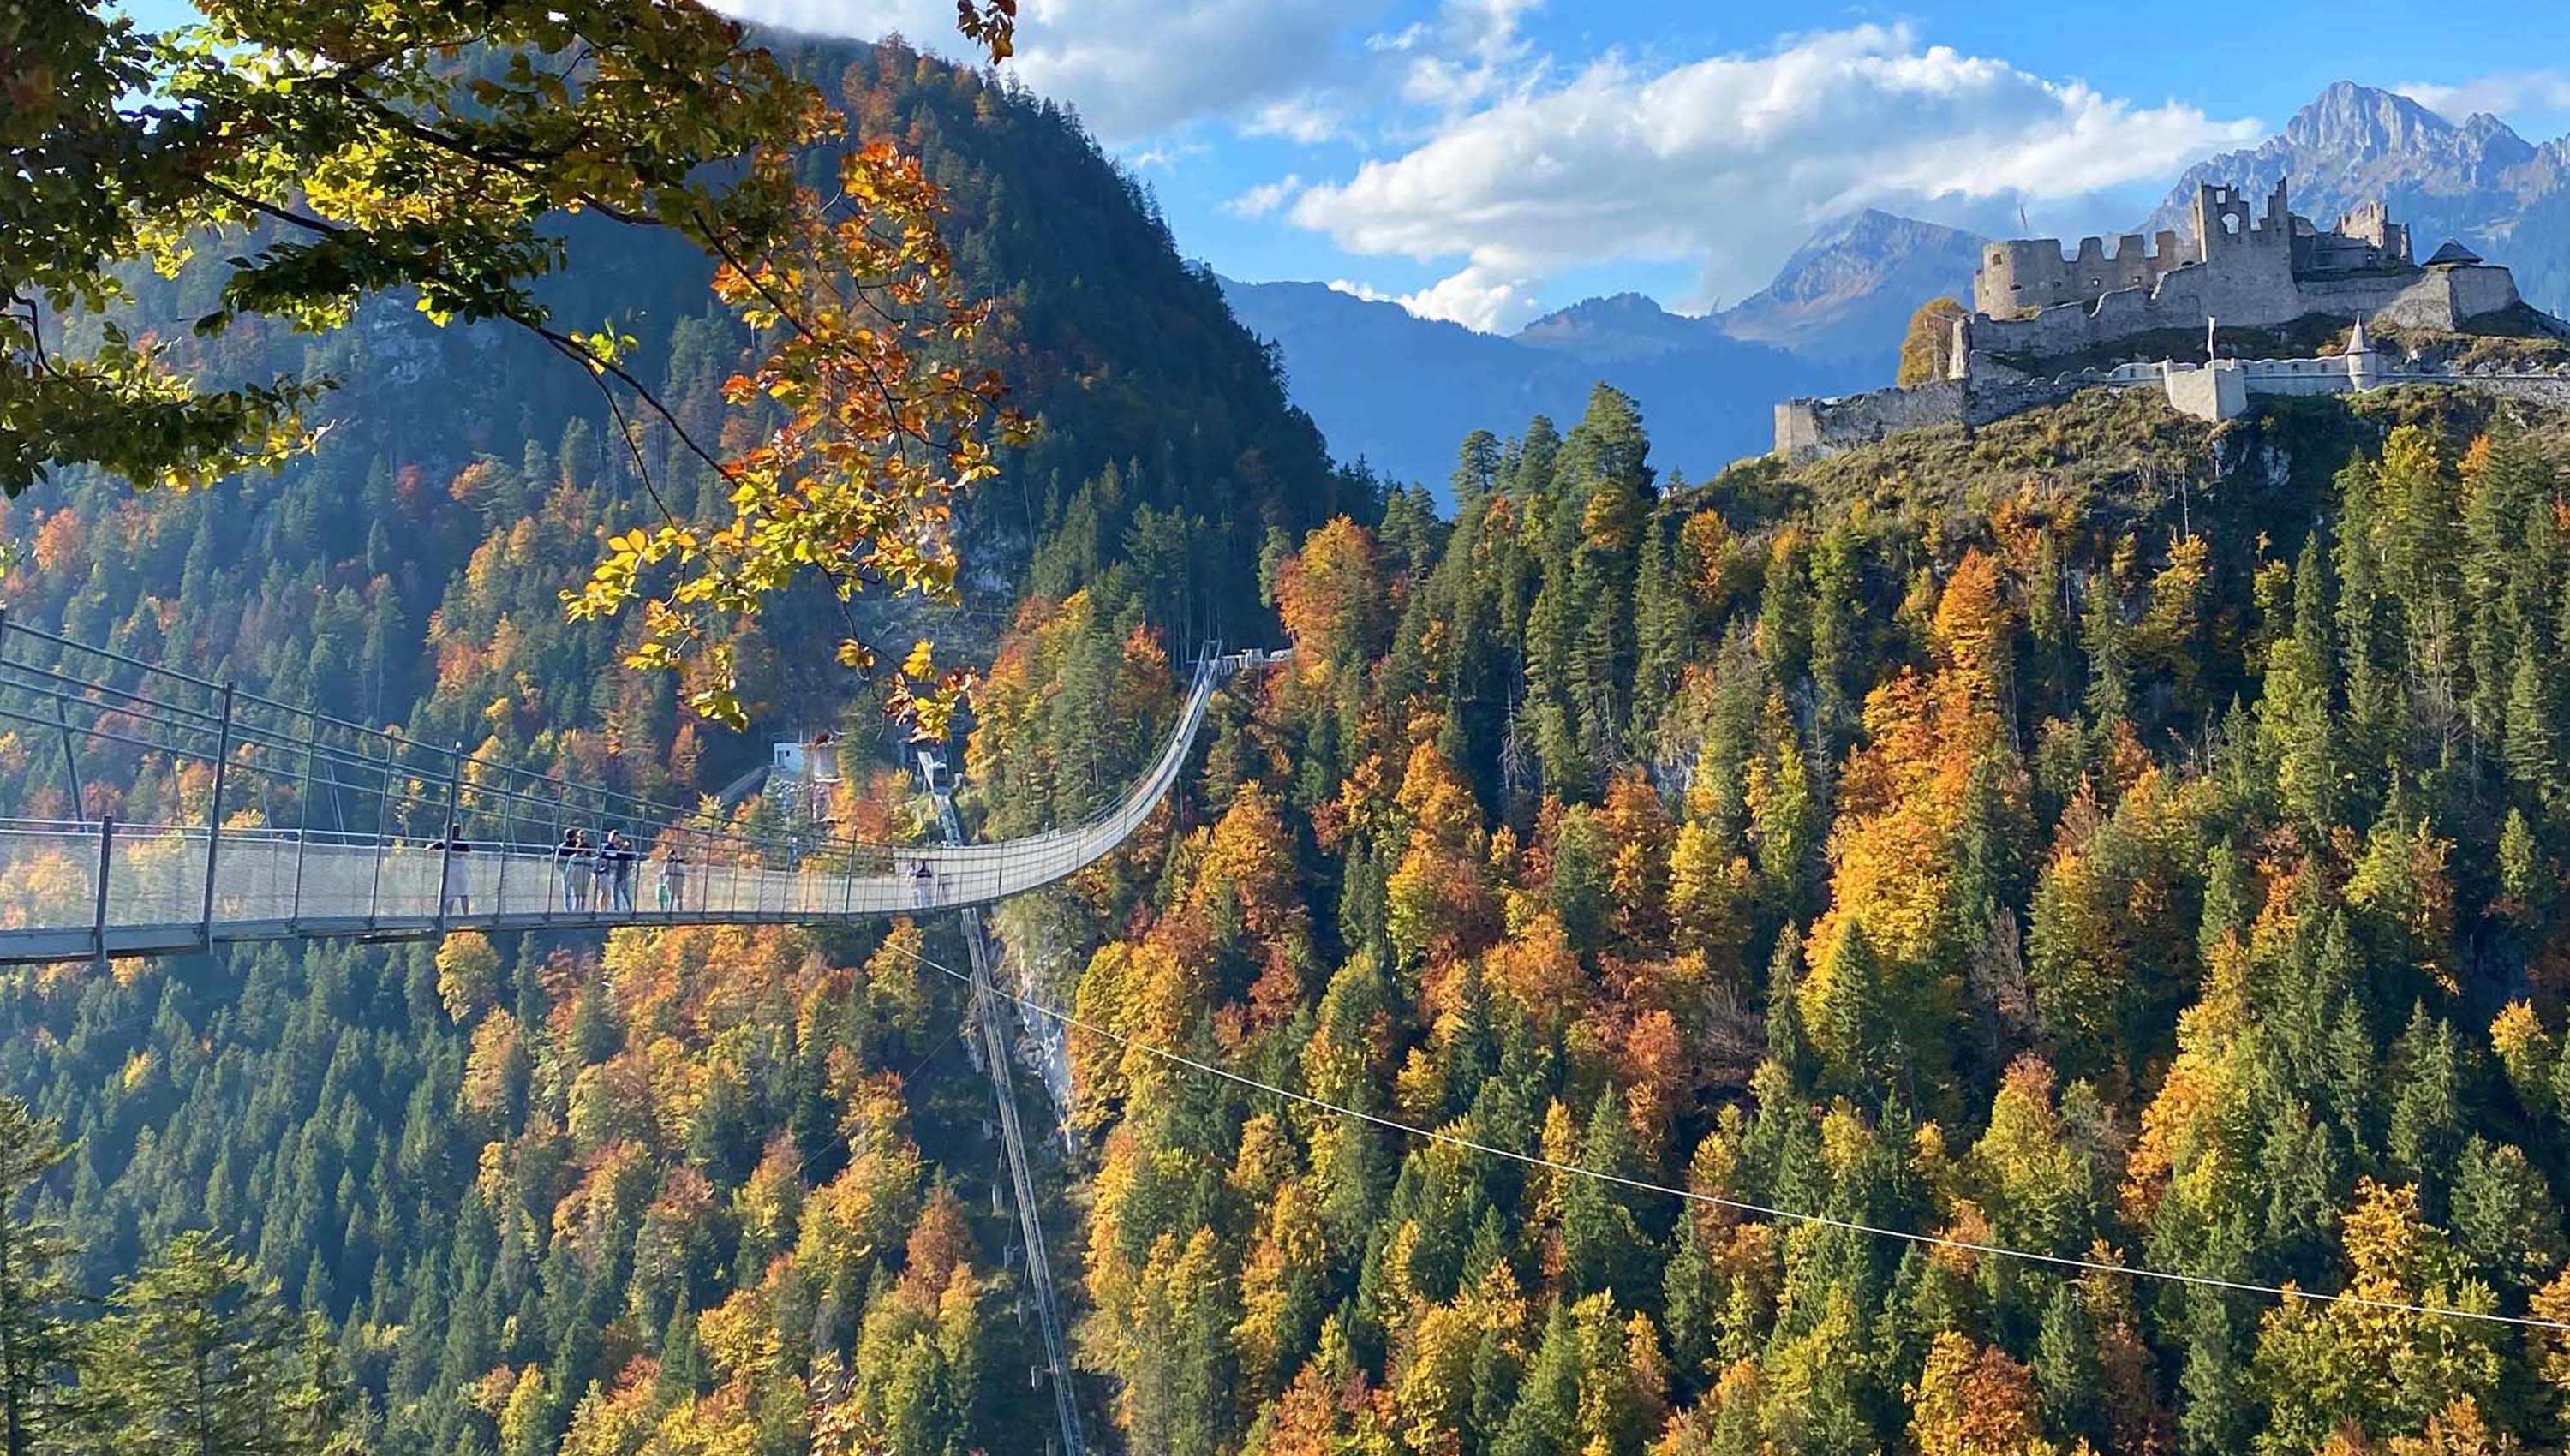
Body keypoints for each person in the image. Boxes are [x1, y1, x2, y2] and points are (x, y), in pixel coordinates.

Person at [430, 822, 473, 916]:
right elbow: (468, 854)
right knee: (463, 893)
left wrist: (430, 846)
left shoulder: (446, 842)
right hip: (462, 870)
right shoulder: (463, 843)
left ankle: (449, 915)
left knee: (449, 893)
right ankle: (466, 914)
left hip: (450, 870)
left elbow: (430, 848)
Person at [607, 830, 637, 912]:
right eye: (615, 837)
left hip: (623, 872)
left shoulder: (625, 848)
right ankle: (616, 909)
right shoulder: (610, 847)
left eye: (618, 837)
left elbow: (630, 857)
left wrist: (625, 848)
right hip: (613, 872)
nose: (617, 840)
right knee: (614, 892)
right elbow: (614, 855)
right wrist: (622, 848)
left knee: (625, 891)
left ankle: (630, 908)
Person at [556, 828, 585, 912]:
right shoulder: (575, 847)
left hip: (568, 873)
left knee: (568, 893)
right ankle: (575, 910)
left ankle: (569, 910)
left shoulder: (562, 847)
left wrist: (563, 871)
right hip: (574, 873)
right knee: (575, 892)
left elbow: (557, 862)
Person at [659, 845, 689, 912]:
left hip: (673, 881)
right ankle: (677, 911)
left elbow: (665, 873)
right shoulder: (673, 863)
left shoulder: (671, 864)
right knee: (677, 897)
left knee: (674, 897)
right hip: (676, 881)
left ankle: (673, 911)